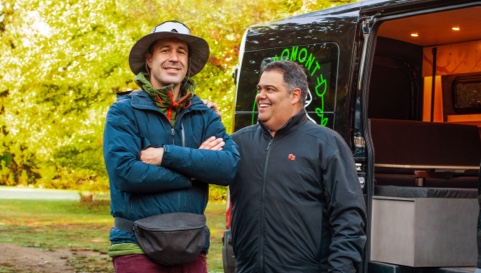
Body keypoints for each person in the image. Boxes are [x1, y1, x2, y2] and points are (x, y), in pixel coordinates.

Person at [103, 20, 240, 273]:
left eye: (181, 51)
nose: (174, 58)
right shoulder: (123, 112)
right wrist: (196, 168)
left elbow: (228, 168)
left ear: (188, 62)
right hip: (136, 245)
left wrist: (167, 155)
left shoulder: (204, 114)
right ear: (149, 59)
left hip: (192, 245)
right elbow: (126, 173)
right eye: (165, 50)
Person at [230, 60, 367, 273]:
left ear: (294, 96)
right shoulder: (239, 143)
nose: (260, 95)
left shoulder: (325, 143)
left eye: (270, 89)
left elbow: (348, 217)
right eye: (260, 89)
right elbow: (199, 168)